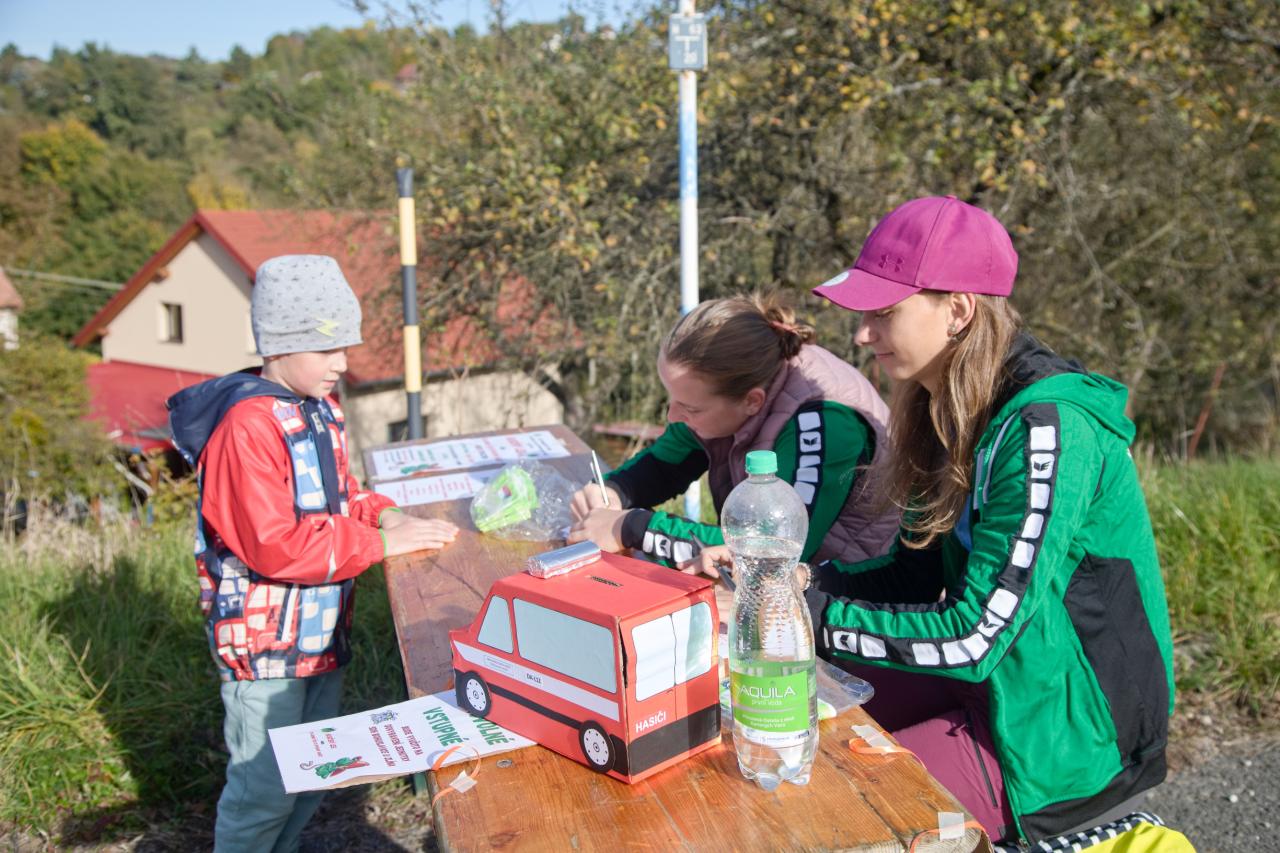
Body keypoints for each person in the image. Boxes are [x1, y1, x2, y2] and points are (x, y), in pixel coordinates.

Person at [801, 196, 1175, 845]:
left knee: (837, 816)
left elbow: (975, 636)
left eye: (883, 313)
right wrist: (799, 587)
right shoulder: (947, 410)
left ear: (959, 311)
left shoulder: (1045, 429)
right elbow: (914, 576)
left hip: (1061, 734)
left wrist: (811, 617)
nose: (862, 335)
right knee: (790, 712)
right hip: (995, 684)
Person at [167, 255, 459, 853]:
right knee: (264, 788)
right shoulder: (246, 428)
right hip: (265, 649)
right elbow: (272, 544)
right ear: (280, 343)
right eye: (327, 348)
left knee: (310, 773)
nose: (342, 363)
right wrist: (380, 545)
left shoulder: (319, 408)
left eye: (345, 347)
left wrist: (385, 514)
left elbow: (340, 494)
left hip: (319, 635)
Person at [568, 293, 898, 570]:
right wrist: (615, 491)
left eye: (691, 408)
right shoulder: (732, 382)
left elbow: (772, 551)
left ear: (752, 402)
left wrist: (632, 527)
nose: (671, 415)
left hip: (855, 600)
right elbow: (665, 464)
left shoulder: (826, 421)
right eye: (672, 399)